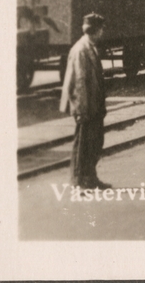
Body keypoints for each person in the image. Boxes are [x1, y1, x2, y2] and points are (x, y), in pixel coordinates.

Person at [61, 13, 109, 189]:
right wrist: (81, 109)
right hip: (86, 105)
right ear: (94, 30)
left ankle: (91, 177)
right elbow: (79, 82)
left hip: (93, 105)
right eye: (101, 29)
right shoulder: (81, 50)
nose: (102, 32)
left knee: (94, 143)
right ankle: (78, 182)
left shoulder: (90, 47)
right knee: (83, 145)